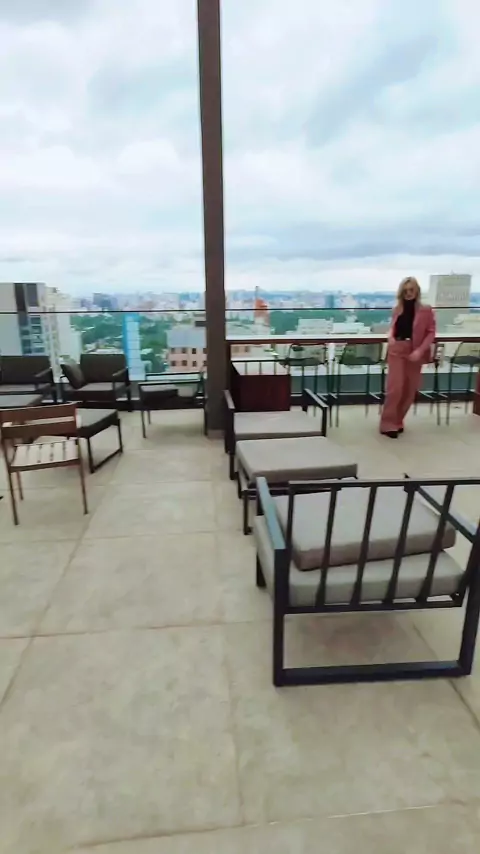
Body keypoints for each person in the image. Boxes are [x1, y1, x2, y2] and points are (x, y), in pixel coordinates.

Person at [380, 276, 436, 438]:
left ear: (417, 291)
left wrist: (420, 351)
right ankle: (387, 423)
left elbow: (431, 332)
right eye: (405, 291)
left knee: (410, 389)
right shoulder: (397, 309)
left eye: (411, 290)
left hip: (415, 351)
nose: (408, 293)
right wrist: (390, 336)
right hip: (397, 349)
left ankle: (398, 421)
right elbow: (393, 327)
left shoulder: (426, 310)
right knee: (395, 388)